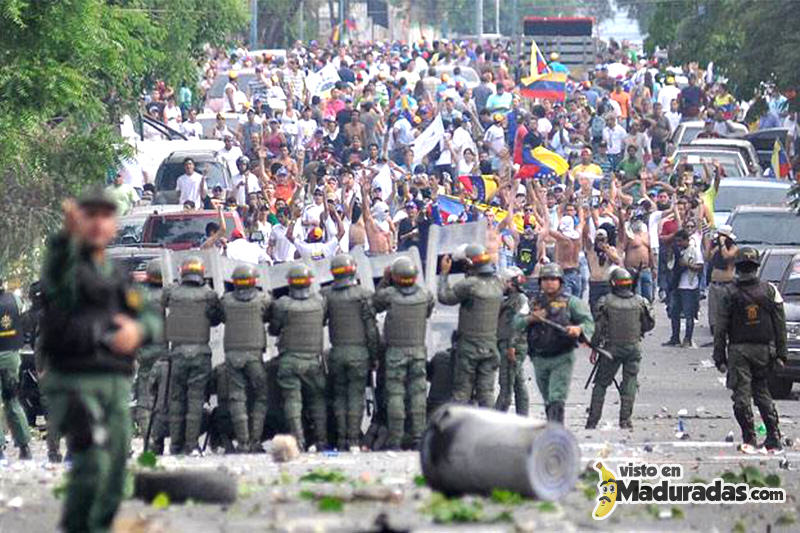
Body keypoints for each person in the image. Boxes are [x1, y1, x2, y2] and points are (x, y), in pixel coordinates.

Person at [39, 189, 160, 532]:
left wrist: (137, 330)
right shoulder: (65, 267)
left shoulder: (120, 275)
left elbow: (150, 317)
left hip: (114, 380)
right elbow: (56, 272)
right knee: (91, 461)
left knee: (117, 464)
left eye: (104, 216)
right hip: (75, 379)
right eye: (89, 216)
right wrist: (66, 238)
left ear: (114, 224)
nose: (97, 223)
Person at [713, 247, 787, 454]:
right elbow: (779, 324)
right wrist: (782, 353)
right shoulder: (770, 291)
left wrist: (719, 356)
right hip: (764, 351)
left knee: (741, 396)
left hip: (739, 351)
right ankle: (773, 436)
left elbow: (720, 327)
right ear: (756, 267)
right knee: (762, 393)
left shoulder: (729, 293)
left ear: (737, 267)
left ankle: (750, 438)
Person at [161, 256, 224, 455]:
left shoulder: (172, 292)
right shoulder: (209, 294)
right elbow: (216, 319)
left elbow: (164, 302)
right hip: (200, 353)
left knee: (177, 401)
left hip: (177, 352)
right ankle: (191, 445)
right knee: (195, 401)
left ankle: (175, 445)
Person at [374, 256, 434, 449]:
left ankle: (395, 439)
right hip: (417, 352)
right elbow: (428, 311)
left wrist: (385, 279)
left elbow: (375, 302)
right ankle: (418, 438)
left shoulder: (390, 295)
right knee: (418, 394)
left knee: (395, 395)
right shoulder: (425, 295)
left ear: (395, 277)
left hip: (395, 354)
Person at [521, 263, 594, 423]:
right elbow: (515, 323)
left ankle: (556, 431)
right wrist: (531, 318)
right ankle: (551, 427)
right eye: (545, 279)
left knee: (556, 396)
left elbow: (588, 323)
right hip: (539, 357)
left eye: (553, 279)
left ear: (560, 281)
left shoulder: (571, 302)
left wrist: (578, 329)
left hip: (562, 357)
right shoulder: (532, 303)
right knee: (547, 398)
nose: (549, 282)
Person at [268, 265, 328, 451]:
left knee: (292, 402)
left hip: (289, 361)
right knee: (317, 401)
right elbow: (323, 320)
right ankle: (321, 441)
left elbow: (274, 329)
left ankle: (299, 442)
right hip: (312, 362)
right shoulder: (319, 302)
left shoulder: (283, 304)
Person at [586, 268, 655, 429]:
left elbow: (598, 328)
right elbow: (649, 323)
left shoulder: (605, 302)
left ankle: (593, 420)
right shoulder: (640, 301)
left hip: (611, 349)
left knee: (601, 384)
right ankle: (625, 420)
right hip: (633, 348)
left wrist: (595, 347)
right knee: (630, 382)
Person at [323, 254, 379, 450]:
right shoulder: (363, 295)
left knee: (339, 396)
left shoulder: (326, 295)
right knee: (356, 396)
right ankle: (354, 439)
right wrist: (374, 355)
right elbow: (371, 330)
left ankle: (341, 439)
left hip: (337, 353)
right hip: (359, 354)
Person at [437, 244, 504, 408]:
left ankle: (460, 431)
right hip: (490, 346)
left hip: (469, 347)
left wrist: (444, 274)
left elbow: (445, 297)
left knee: (461, 393)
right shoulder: (498, 284)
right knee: (486, 393)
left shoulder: (469, 285)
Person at [220, 264, 270, 453]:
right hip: (254, 356)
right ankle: (255, 441)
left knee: (236, 397)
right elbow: (269, 315)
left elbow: (219, 316)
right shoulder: (262, 300)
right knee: (261, 396)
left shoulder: (226, 301)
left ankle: (242, 442)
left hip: (233, 355)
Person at [0, 276, 32, 461]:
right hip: (12, 357)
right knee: (12, 401)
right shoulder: (15, 300)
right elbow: (26, 322)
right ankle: (25, 447)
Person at [134, 260, 166, 441]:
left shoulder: (140, 298)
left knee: (144, 398)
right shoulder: (170, 296)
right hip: (165, 353)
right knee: (164, 396)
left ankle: (149, 438)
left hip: (145, 352)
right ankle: (162, 437)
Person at [494, 267, 530, 416]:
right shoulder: (513, 299)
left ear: (510, 283)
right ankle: (523, 417)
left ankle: (495, 420)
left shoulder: (519, 300)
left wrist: (511, 346)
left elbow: (518, 325)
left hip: (512, 346)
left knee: (506, 386)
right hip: (509, 345)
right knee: (518, 383)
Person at [664, 229, 703, 348]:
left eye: (680, 241)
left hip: (689, 287)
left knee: (688, 314)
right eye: (677, 241)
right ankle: (675, 338)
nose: (678, 244)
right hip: (677, 286)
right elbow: (670, 265)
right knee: (674, 313)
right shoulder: (677, 251)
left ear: (687, 240)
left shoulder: (694, 251)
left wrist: (687, 265)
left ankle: (687, 339)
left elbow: (700, 266)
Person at [706, 225, 738, 335]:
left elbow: (726, 256)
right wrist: (710, 244)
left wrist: (723, 243)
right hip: (715, 283)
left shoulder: (733, 247)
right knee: (714, 311)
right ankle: (715, 332)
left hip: (727, 283)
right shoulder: (716, 248)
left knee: (726, 310)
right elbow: (707, 257)